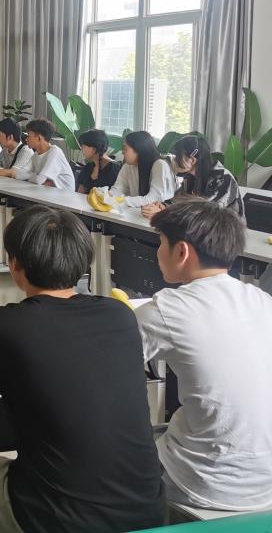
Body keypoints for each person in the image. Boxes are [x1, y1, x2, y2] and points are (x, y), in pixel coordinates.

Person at [0, 205, 164, 533]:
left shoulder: (4, 325)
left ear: (14, 264)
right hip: (146, 510)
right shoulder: (120, 315)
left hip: (56, 518)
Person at [135, 200, 272, 512]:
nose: (158, 252)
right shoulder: (262, 300)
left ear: (182, 252)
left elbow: (103, 369)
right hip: (266, 484)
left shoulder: (168, 309)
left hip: (203, 483)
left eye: (161, 243)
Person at [142, 135, 244, 220]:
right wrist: (162, 206)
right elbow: (177, 200)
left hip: (228, 232)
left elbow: (205, 212)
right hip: (202, 229)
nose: (174, 160)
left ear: (192, 160)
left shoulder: (222, 178)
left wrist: (163, 211)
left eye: (177, 157)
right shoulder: (190, 177)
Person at [0, 119, 75, 190]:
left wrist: (31, 177)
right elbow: (18, 174)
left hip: (64, 198)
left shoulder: (54, 153)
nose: (26, 139)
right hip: (47, 193)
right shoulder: (36, 154)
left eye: (29, 135)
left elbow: (39, 180)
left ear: (39, 138)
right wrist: (36, 177)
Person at [110, 131, 177, 208]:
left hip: (161, 212)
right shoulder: (128, 166)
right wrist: (106, 196)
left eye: (125, 149)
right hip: (136, 212)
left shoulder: (159, 165)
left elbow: (154, 199)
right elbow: (118, 189)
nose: (122, 152)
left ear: (138, 150)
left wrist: (121, 200)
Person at [75, 129, 120, 194]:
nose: (81, 148)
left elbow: (113, 195)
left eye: (84, 146)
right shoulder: (89, 166)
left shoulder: (114, 169)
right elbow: (80, 192)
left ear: (94, 148)